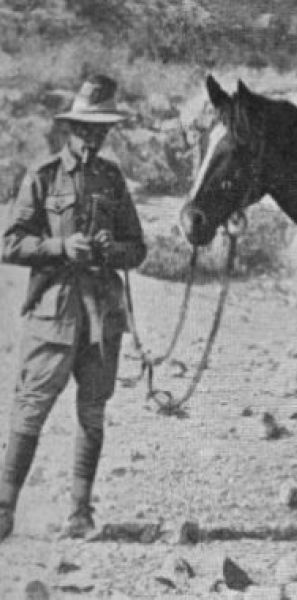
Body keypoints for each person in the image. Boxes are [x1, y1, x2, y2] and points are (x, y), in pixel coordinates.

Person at [0, 74, 146, 541]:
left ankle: (80, 512)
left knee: (92, 412)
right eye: (86, 129)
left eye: (101, 131)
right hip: (53, 314)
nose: (93, 139)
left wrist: (110, 248)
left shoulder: (112, 178)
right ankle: (4, 508)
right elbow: (11, 242)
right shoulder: (43, 176)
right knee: (31, 409)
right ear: (70, 129)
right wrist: (62, 246)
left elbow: (137, 249)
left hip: (102, 316)